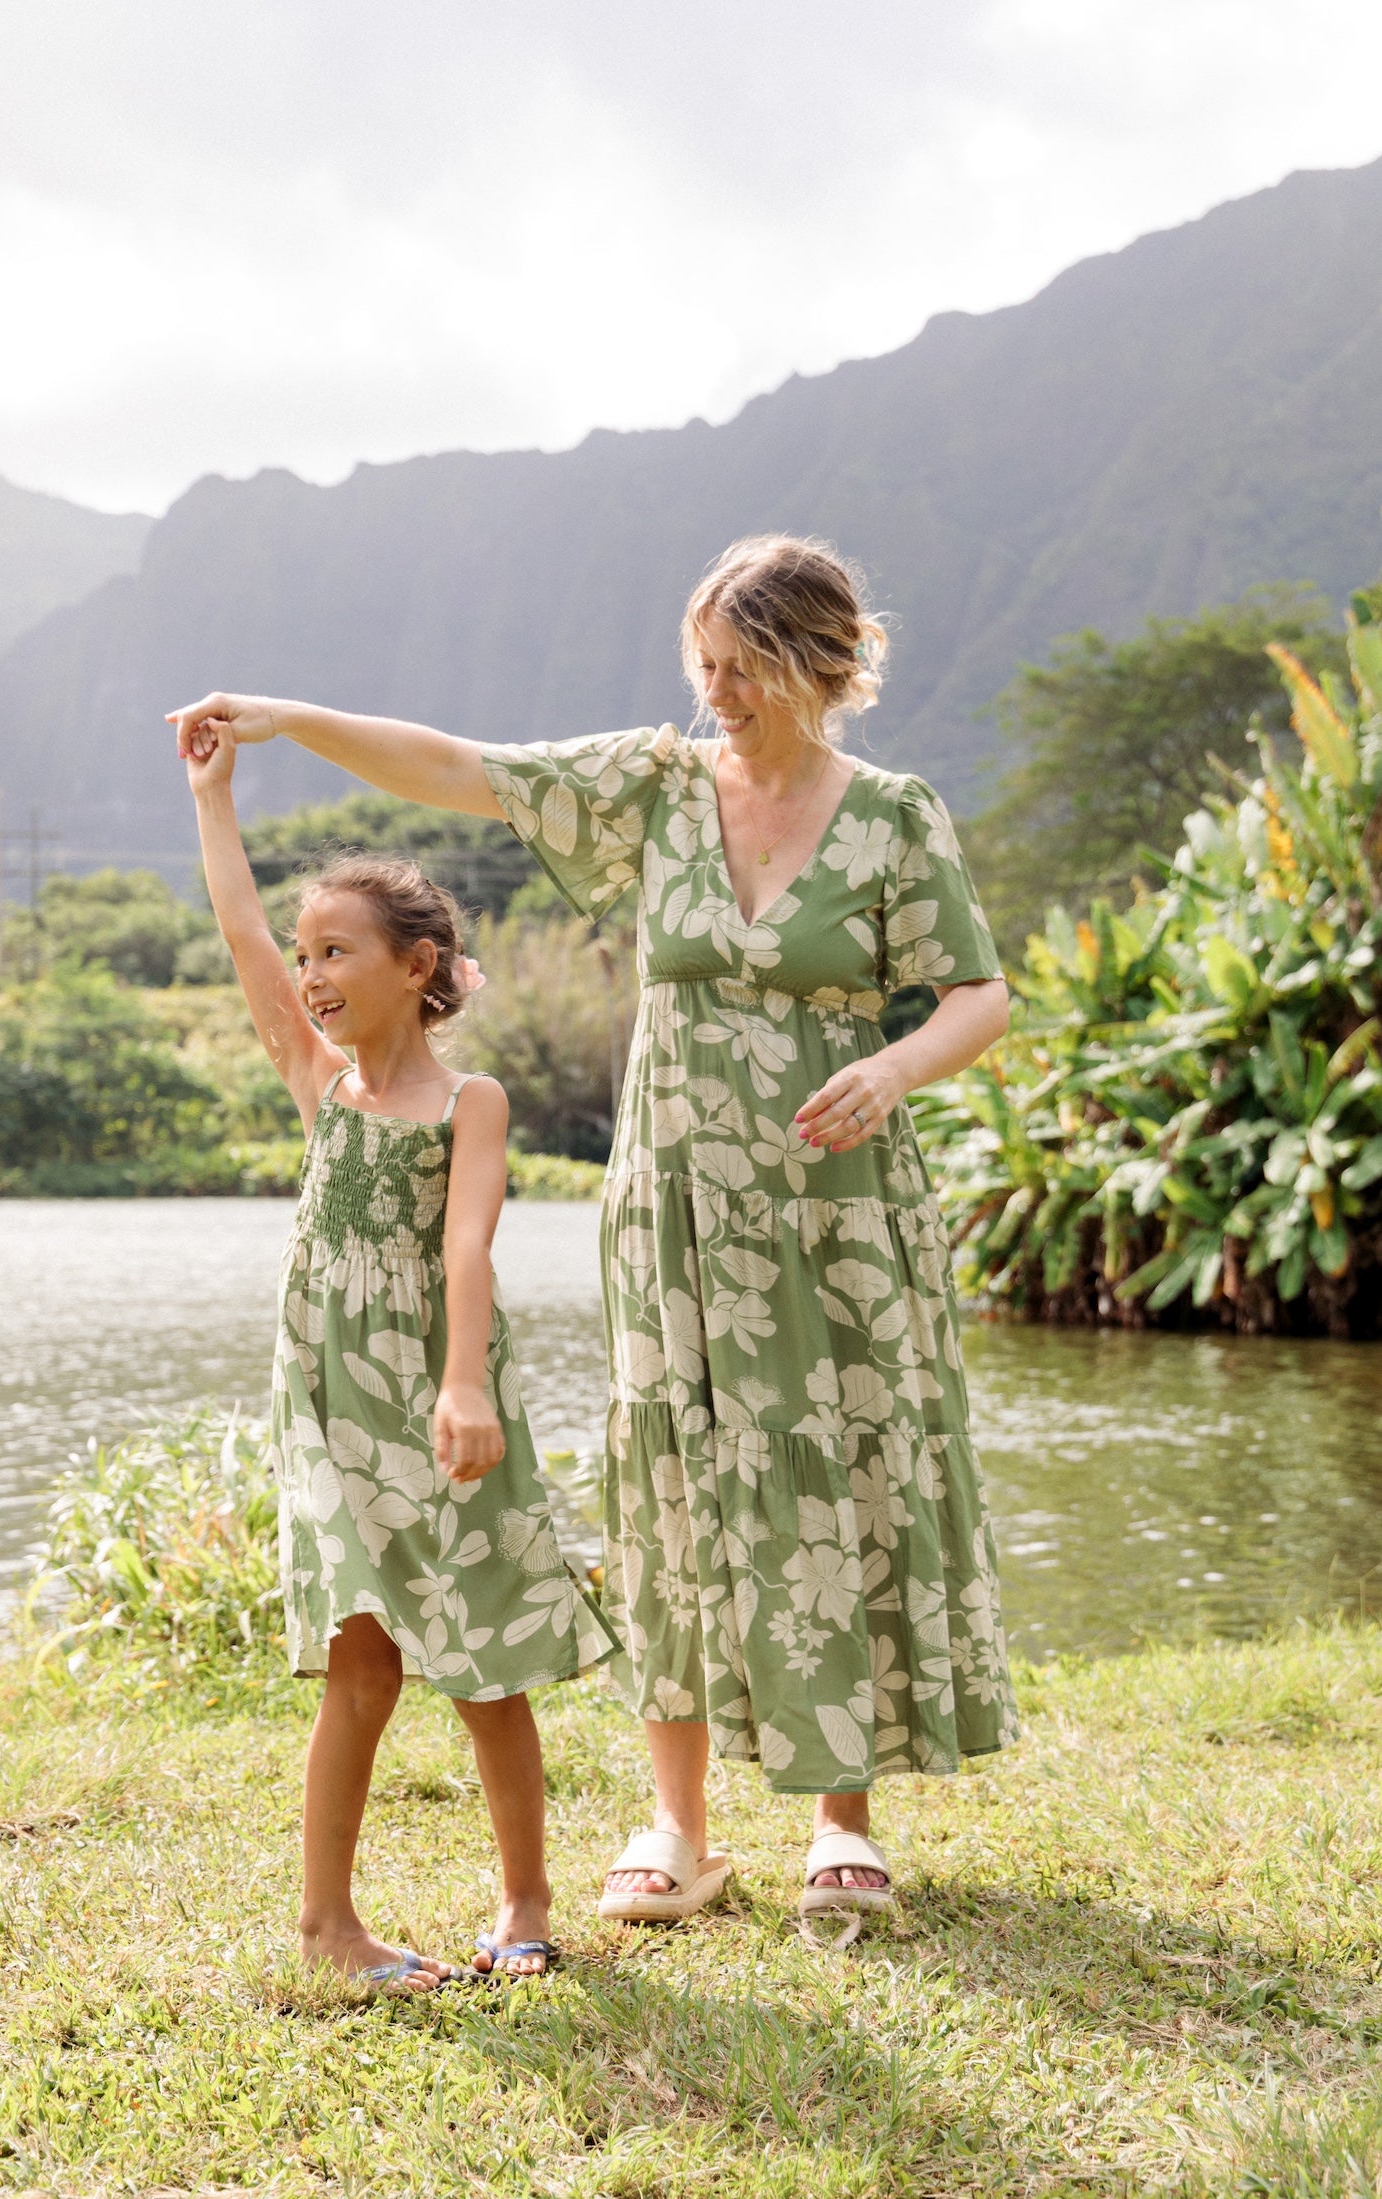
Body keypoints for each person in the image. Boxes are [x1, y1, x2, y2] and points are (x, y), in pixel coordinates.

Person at [170, 531, 1017, 1942]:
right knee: (669, 1481)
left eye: (744, 670)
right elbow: (462, 766)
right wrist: (289, 720)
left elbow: (976, 995)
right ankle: (674, 1825)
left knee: (838, 1474)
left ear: (823, 665)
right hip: (673, 1206)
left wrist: (891, 1067)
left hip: (837, 1213)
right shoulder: (659, 787)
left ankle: (837, 1820)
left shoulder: (893, 817)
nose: (718, 696)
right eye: (704, 668)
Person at [180, 717, 617, 1988]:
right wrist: (217, 801)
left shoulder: (467, 1103)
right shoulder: (320, 1086)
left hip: (441, 1397)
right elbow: (241, 938)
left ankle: (526, 1906)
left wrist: (466, 1385)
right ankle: (327, 1927)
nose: (311, 974)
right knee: (361, 1657)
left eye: (340, 953)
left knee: (486, 1663)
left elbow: (470, 1248)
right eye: (309, 954)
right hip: (327, 1407)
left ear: (418, 966)